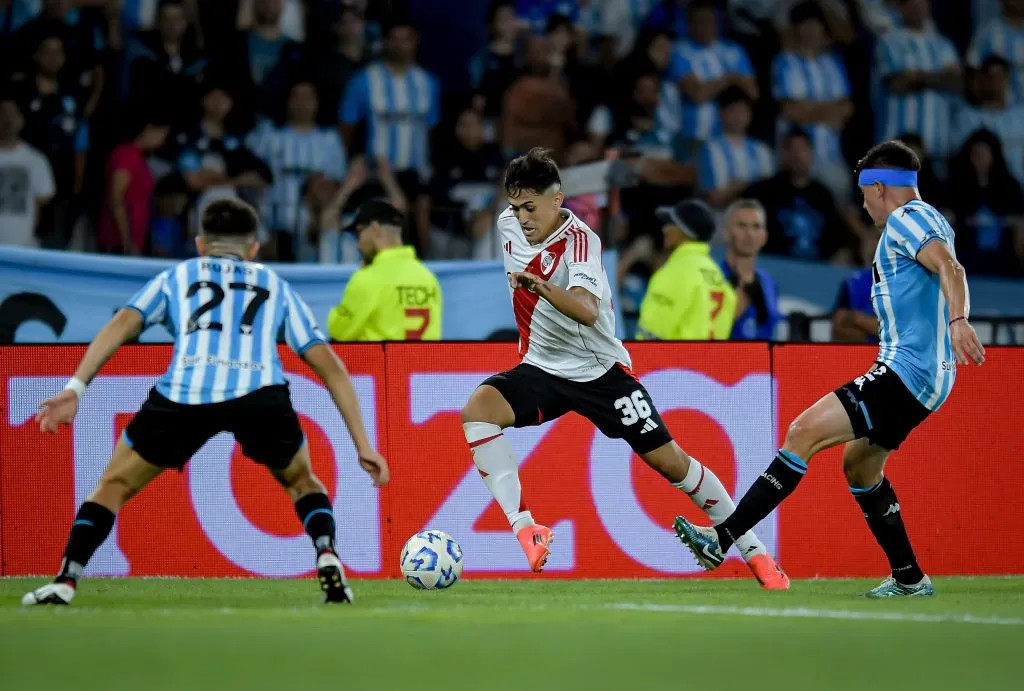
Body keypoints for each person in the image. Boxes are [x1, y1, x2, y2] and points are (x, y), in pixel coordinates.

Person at [22, 198, 389, 607]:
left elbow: (123, 324)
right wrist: (362, 444)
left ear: (200, 244)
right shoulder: (273, 284)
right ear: (253, 249)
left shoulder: (178, 276)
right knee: (303, 483)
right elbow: (331, 367)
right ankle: (326, 552)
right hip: (260, 394)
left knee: (113, 485)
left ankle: (66, 579)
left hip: (185, 393)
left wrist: (76, 387)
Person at [459, 148, 788, 589]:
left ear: (558, 200)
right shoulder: (507, 226)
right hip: (542, 368)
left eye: (530, 207)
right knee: (478, 410)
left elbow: (588, 311)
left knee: (672, 464)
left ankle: (758, 556)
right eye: (515, 207)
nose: (521, 217)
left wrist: (539, 286)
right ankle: (525, 527)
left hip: (600, 373)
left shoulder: (582, 242)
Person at [674, 140, 987, 597]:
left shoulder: (907, 218)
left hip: (908, 370)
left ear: (880, 188)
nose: (862, 204)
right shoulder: (927, 218)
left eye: (864, 193)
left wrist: (959, 321)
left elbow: (952, 270)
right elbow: (945, 270)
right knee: (860, 467)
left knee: (803, 432)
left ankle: (721, 540)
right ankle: (909, 578)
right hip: (927, 376)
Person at [327, 199, 443, 341]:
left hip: (382, 362)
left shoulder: (368, 279)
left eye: (359, 233)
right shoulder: (428, 278)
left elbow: (339, 330)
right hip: (424, 362)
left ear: (375, 228)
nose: (358, 245)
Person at [636, 198, 737, 341]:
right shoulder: (717, 274)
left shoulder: (675, 273)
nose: (665, 229)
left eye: (671, 224)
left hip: (673, 362)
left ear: (684, 231)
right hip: (710, 361)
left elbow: (650, 335)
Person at [719, 199, 782, 341]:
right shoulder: (713, 278)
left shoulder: (769, 283)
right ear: (726, 233)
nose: (750, 234)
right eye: (742, 226)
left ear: (764, 236)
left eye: (756, 227)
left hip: (761, 361)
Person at [0, 94, 56, 249]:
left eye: (12, 113)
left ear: (21, 119)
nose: (7, 120)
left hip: (23, 248)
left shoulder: (36, 160)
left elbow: (42, 201)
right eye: (2, 113)